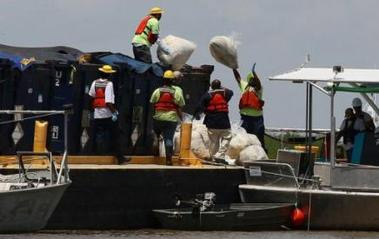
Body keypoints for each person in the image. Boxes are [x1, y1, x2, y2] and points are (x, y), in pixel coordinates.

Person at [88, 65, 128, 164]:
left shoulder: (95, 82)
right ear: (108, 74)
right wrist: (114, 112)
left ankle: (98, 154)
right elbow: (108, 101)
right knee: (115, 136)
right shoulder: (109, 84)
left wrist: (92, 110)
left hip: (97, 114)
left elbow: (91, 97)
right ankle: (120, 158)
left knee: (98, 135)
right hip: (107, 114)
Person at [150, 70, 185, 165]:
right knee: (169, 139)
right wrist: (182, 118)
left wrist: (155, 114)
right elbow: (180, 105)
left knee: (156, 132)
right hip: (171, 119)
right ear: (172, 80)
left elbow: (153, 102)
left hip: (158, 117)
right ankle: (168, 160)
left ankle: (156, 139)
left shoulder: (158, 91)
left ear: (163, 80)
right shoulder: (176, 92)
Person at [193, 79, 233, 162]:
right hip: (224, 121)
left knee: (213, 141)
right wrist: (221, 87)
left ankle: (214, 157)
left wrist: (196, 115)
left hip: (211, 121)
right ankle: (220, 155)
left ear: (211, 86)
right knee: (227, 137)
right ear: (220, 85)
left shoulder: (207, 95)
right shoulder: (225, 93)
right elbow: (231, 92)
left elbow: (199, 106)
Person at [233, 64, 266, 151]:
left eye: (254, 79)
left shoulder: (259, 88)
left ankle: (262, 152)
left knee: (259, 137)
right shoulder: (245, 86)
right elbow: (238, 78)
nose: (253, 80)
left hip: (257, 119)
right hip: (245, 118)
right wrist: (233, 68)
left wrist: (254, 73)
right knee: (244, 137)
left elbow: (258, 82)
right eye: (251, 79)